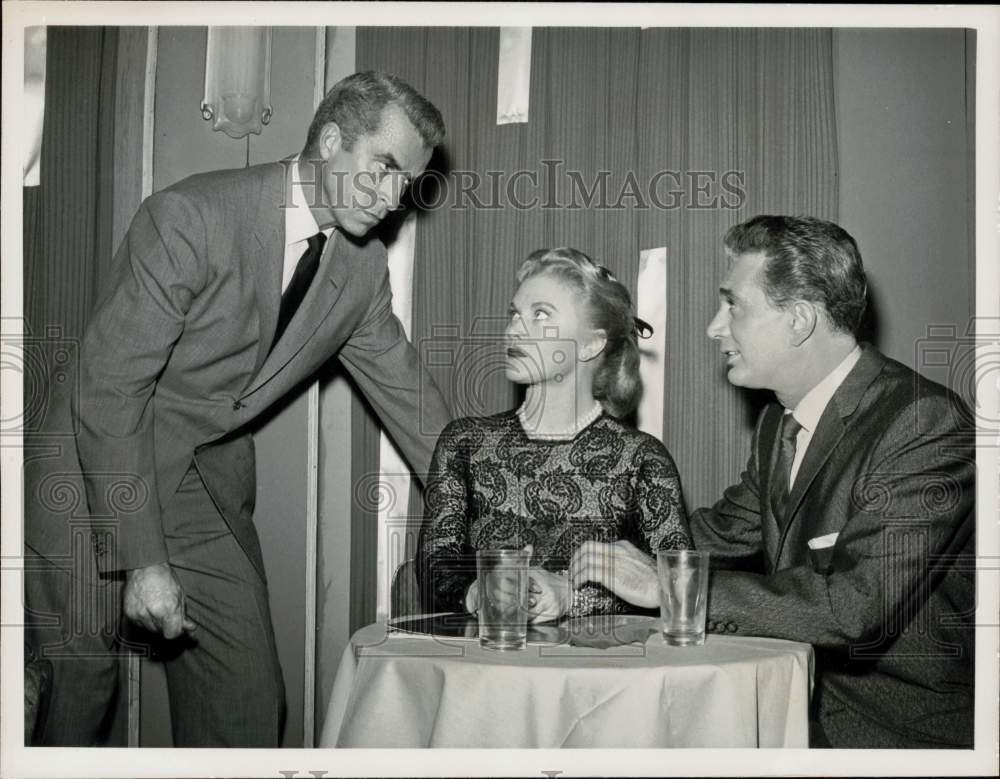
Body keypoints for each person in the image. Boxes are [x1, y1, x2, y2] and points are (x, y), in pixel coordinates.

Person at [23, 71, 453, 747]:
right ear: (331, 139)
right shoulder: (190, 217)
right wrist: (144, 561)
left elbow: (414, 402)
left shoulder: (361, 273)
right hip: (89, 466)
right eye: (384, 169)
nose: (394, 200)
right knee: (79, 695)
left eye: (408, 184)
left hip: (198, 481)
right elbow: (108, 390)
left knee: (249, 696)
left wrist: (499, 510)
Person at [570, 215, 975, 748]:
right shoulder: (779, 422)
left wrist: (664, 585)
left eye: (733, 305)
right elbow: (713, 534)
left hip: (893, 737)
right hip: (784, 710)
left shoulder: (923, 421)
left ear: (799, 321)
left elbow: (852, 608)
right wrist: (575, 571)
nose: (716, 326)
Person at [415, 248, 691, 622]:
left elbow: (679, 589)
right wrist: (476, 591)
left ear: (592, 344)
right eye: (515, 314)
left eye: (540, 314)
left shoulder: (641, 459)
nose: (514, 328)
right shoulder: (466, 443)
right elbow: (435, 570)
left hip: (599, 674)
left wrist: (574, 599)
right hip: (487, 667)